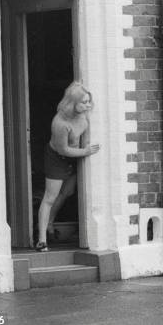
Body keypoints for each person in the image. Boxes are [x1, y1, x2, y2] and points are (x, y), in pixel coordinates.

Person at [35, 82, 100, 252]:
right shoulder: (60, 123)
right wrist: (85, 151)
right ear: (73, 103)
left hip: (75, 155)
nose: (88, 105)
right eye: (84, 102)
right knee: (50, 197)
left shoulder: (84, 115)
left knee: (68, 192)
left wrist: (83, 150)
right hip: (57, 158)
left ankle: (50, 222)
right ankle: (42, 239)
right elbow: (63, 149)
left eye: (89, 101)